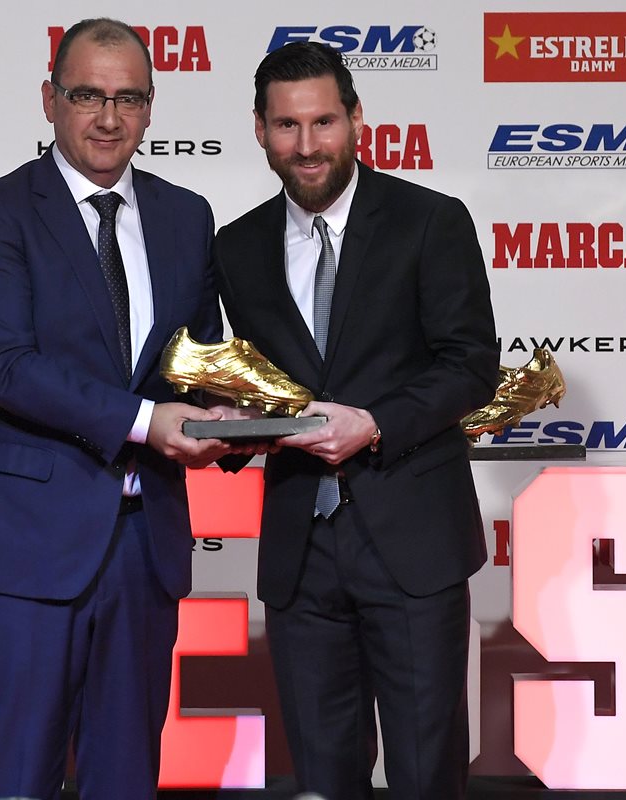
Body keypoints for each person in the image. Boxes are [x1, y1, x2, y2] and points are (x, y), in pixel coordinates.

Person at [0, 18, 234, 800]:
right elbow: (5, 366)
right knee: (20, 779)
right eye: (87, 96)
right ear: (50, 100)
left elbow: (197, 361)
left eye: (128, 98)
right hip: (26, 551)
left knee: (127, 778)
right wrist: (147, 421)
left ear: (149, 107)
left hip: (145, 548)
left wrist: (235, 418)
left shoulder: (186, 215)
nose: (108, 118)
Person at [212, 42, 501, 800]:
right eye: (286, 126)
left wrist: (373, 422)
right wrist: (225, 424)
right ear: (259, 129)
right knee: (321, 774)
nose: (307, 145)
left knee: (423, 773)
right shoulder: (235, 248)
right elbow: (255, 388)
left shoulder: (429, 221)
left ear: (357, 120)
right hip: (299, 551)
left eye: (323, 122)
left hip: (412, 542)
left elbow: (470, 364)